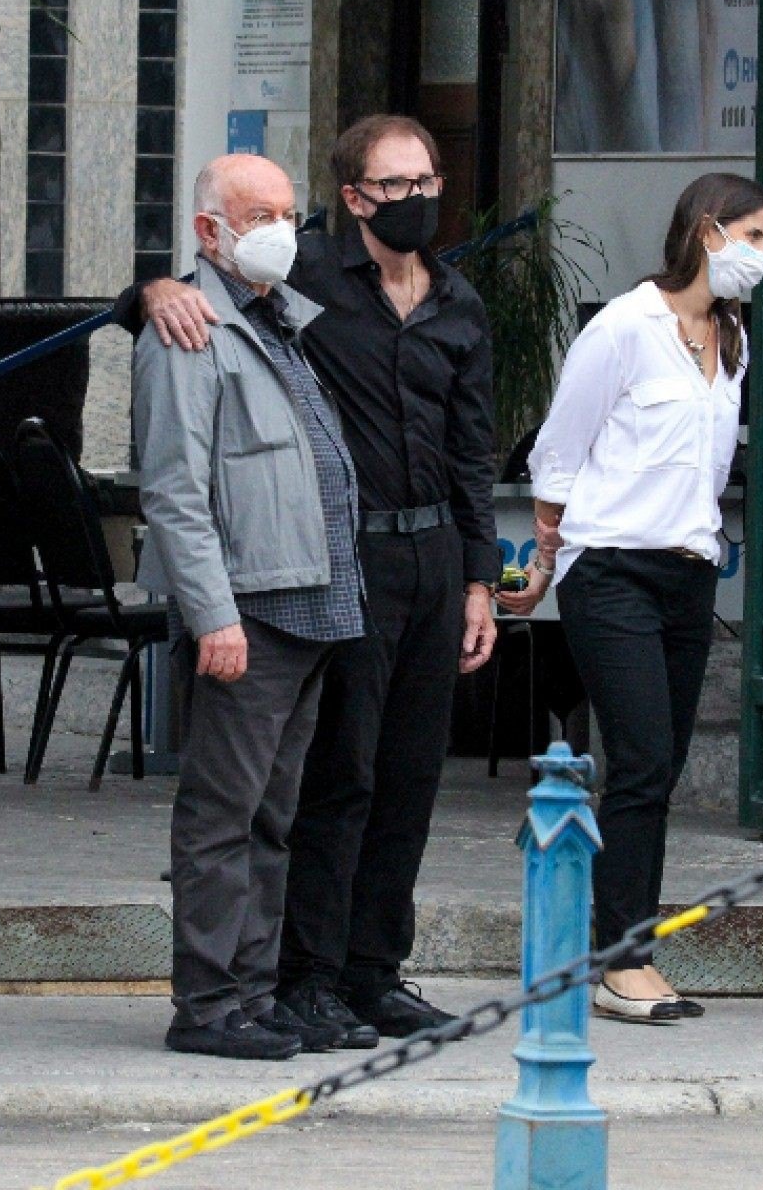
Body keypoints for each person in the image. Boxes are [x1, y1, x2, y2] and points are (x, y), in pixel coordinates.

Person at [117, 116, 500, 1045]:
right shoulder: (293, 283)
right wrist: (151, 288)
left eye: (427, 181)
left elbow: (472, 453)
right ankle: (290, 983)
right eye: (395, 184)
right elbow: (175, 467)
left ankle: (360, 976)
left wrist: (480, 579)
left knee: (392, 785)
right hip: (313, 572)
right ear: (356, 197)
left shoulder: (440, 303)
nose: (416, 199)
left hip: (413, 564)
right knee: (323, 786)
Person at [498, 173, 763, 1023]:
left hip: (688, 571)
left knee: (661, 767)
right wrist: (546, 560)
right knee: (643, 756)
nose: (762, 256)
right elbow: (559, 449)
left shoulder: (732, 339)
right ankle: (621, 959)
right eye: (752, 237)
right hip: (612, 568)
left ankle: (626, 949)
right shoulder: (624, 326)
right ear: (706, 231)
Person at [134, 154, 366, 1061]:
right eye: (258, 214)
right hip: (250, 612)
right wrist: (213, 614)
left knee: (273, 817)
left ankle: (253, 994)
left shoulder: (279, 319)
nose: (281, 230)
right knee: (222, 816)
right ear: (208, 232)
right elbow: (175, 491)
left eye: (287, 213)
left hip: (308, 605)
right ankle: (206, 1005)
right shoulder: (189, 328)